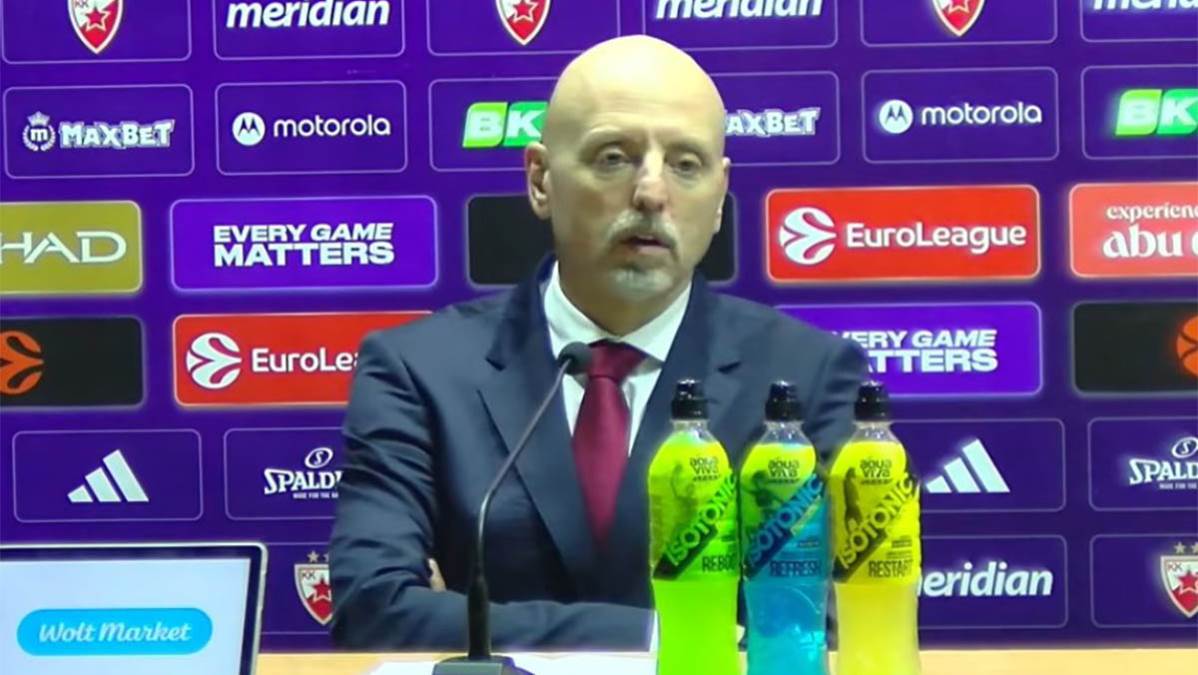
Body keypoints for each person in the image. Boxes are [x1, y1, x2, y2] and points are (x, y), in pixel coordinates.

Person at [329, 34, 868, 651]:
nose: (652, 193)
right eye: (614, 158)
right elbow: (373, 611)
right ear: (541, 180)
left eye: (685, 165)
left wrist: (470, 620)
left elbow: (827, 628)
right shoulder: (419, 371)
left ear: (719, 197)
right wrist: (669, 634)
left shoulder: (807, 376)